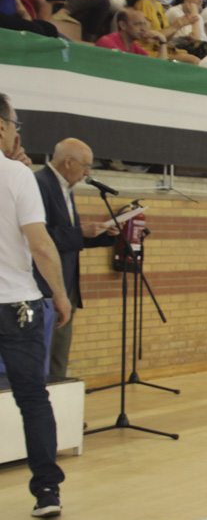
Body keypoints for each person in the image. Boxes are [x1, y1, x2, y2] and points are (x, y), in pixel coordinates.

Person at [0, 93, 73, 518]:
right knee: (32, 399)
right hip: (16, 305)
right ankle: (46, 490)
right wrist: (60, 296)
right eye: (15, 124)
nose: (17, 132)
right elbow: (40, 245)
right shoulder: (17, 176)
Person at [31, 138, 116, 383]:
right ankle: (46, 408)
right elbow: (40, 237)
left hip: (66, 283)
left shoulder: (65, 188)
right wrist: (80, 232)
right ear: (69, 162)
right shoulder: (39, 184)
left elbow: (69, 237)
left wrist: (103, 236)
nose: (88, 173)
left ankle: (60, 404)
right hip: (44, 287)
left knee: (59, 351)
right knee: (43, 352)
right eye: (85, 166)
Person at [126, 0, 201, 63]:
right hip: (147, 51)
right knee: (193, 61)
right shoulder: (144, 4)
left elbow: (166, 38)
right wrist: (174, 27)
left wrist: (179, 25)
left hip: (161, 48)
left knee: (195, 59)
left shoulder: (159, 6)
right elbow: (148, 38)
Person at [97, 8, 169, 58]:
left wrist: (163, 41)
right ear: (123, 25)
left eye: (144, 24)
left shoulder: (135, 48)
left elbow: (157, 69)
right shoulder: (107, 42)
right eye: (138, 24)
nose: (143, 28)